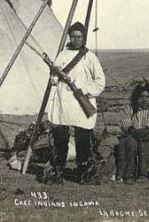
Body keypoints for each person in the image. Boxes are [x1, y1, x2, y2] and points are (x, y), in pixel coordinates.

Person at [46, 21, 106, 184]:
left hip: (81, 103)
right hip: (63, 103)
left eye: (79, 37)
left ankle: (84, 175)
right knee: (60, 138)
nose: (76, 39)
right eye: (73, 36)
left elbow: (100, 82)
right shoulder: (62, 55)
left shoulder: (90, 57)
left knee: (83, 140)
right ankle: (57, 173)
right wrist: (55, 79)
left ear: (84, 38)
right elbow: (54, 78)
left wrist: (83, 89)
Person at [117, 80, 149, 184]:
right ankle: (129, 175)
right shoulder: (130, 109)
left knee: (146, 142)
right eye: (141, 96)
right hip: (132, 135)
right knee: (131, 141)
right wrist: (132, 130)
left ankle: (143, 174)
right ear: (137, 98)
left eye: (147, 97)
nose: (144, 100)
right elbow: (124, 123)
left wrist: (148, 130)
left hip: (148, 137)